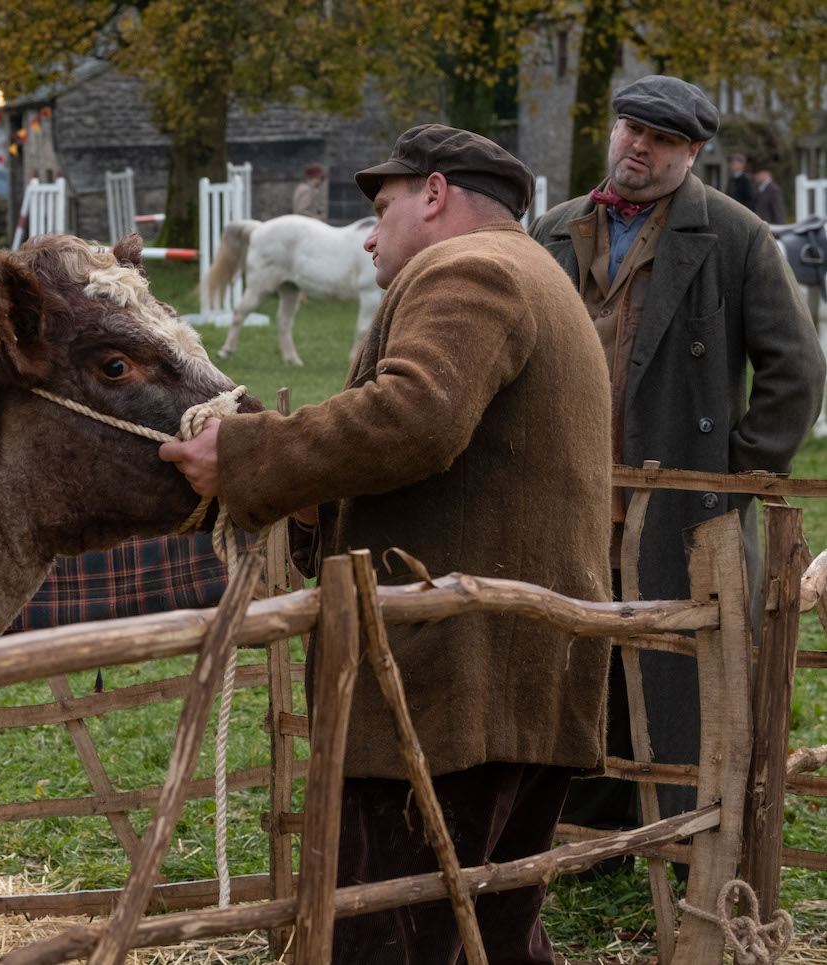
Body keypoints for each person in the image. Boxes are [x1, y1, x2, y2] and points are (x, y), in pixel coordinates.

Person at [161, 124, 613, 963]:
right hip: (514, 673)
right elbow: (458, 463)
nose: (368, 234)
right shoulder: (536, 273)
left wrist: (246, 452)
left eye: (382, 207)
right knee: (490, 933)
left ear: (434, 195)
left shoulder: (468, 267)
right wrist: (307, 507)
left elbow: (417, 416)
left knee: (389, 935)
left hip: (449, 686)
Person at [529, 76, 822, 844]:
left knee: (685, 667)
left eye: (661, 139)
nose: (638, 147)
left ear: (690, 154)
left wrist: (731, 477)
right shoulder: (556, 230)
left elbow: (794, 367)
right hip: (569, 491)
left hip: (681, 497)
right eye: (630, 129)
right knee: (580, 652)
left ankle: (695, 832)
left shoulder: (734, 234)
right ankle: (586, 831)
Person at [752, 160, 788, 225]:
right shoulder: (756, 187)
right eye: (755, 174)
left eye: (758, 173)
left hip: (771, 229)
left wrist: (778, 232)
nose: (755, 176)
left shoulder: (774, 190)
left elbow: (779, 213)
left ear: (766, 173)